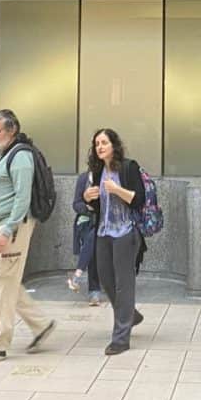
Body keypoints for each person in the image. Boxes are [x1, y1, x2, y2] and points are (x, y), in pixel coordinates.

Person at [0, 109, 56, 366]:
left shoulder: (21, 157)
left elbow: (22, 197)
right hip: (3, 225)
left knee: (3, 285)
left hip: (13, 227)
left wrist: (7, 229)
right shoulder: (8, 154)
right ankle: (41, 325)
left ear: (12, 130)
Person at [84, 128, 145, 356]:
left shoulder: (129, 167)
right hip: (103, 232)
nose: (100, 147)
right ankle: (131, 315)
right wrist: (88, 200)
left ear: (114, 145)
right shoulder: (97, 171)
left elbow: (138, 200)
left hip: (125, 233)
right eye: (97, 143)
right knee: (106, 280)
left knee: (123, 284)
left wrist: (117, 189)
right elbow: (98, 207)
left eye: (104, 143)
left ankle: (121, 339)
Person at [68, 168, 102, 305]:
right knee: (92, 238)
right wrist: (87, 205)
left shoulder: (109, 179)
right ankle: (94, 292)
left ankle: (78, 275)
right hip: (85, 222)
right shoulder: (83, 179)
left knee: (94, 238)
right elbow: (76, 204)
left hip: (103, 222)